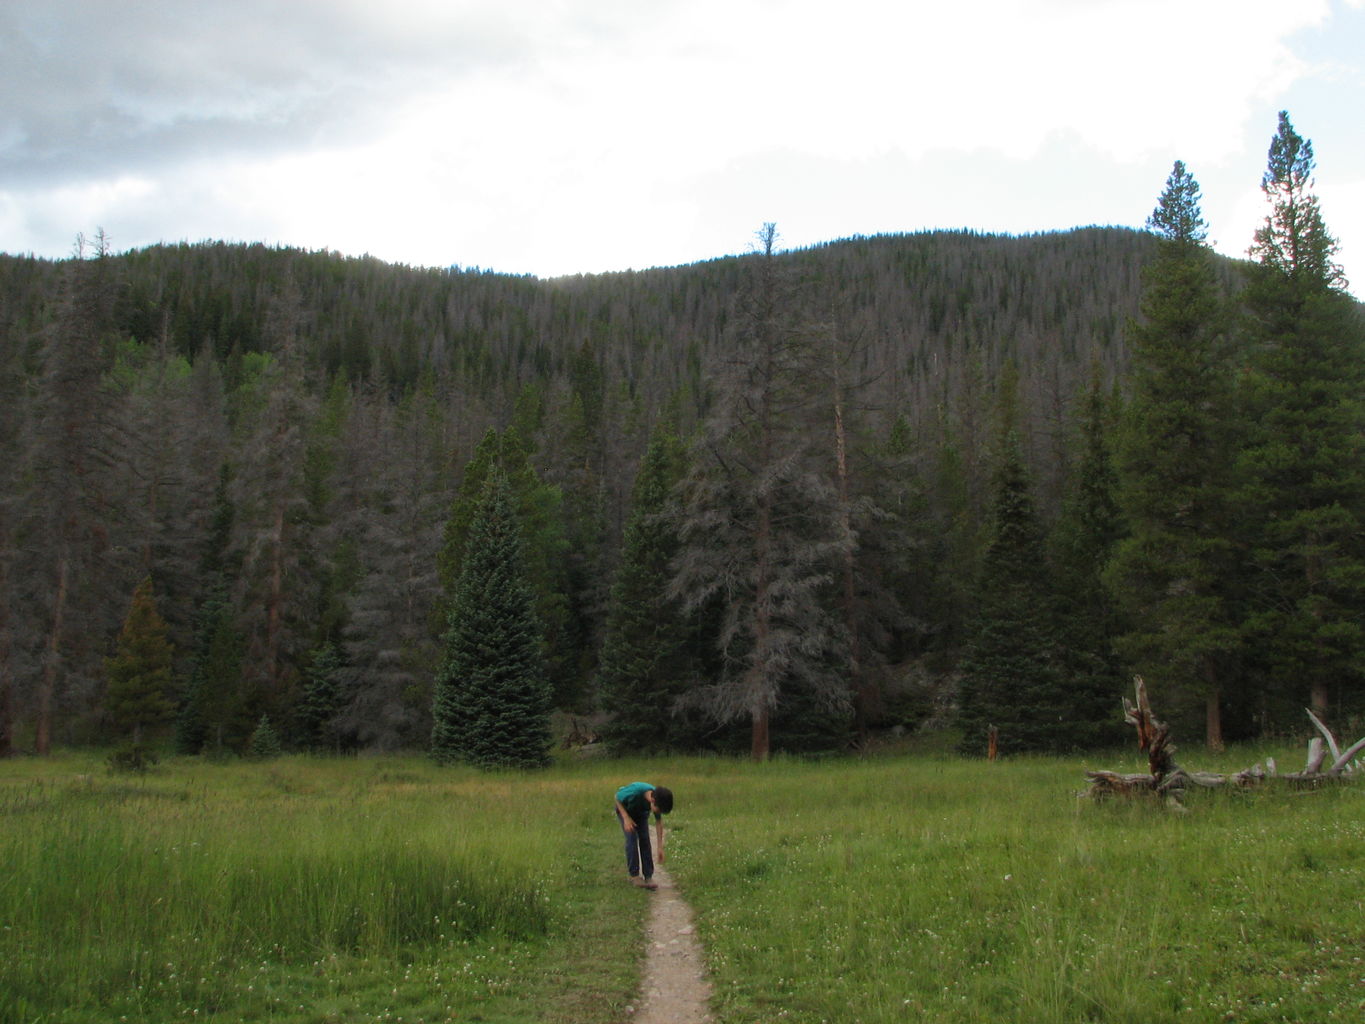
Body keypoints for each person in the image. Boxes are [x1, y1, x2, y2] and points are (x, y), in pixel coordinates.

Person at [614, 781, 673, 890]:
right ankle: (634, 876)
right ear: (652, 801)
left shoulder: (658, 798)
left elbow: (659, 822)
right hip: (625, 809)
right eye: (659, 810)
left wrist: (660, 847)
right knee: (631, 839)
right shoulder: (636, 791)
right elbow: (617, 797)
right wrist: (626, 818)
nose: (658, 812)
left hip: (641, 813)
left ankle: (648, 876)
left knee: (645, 840)